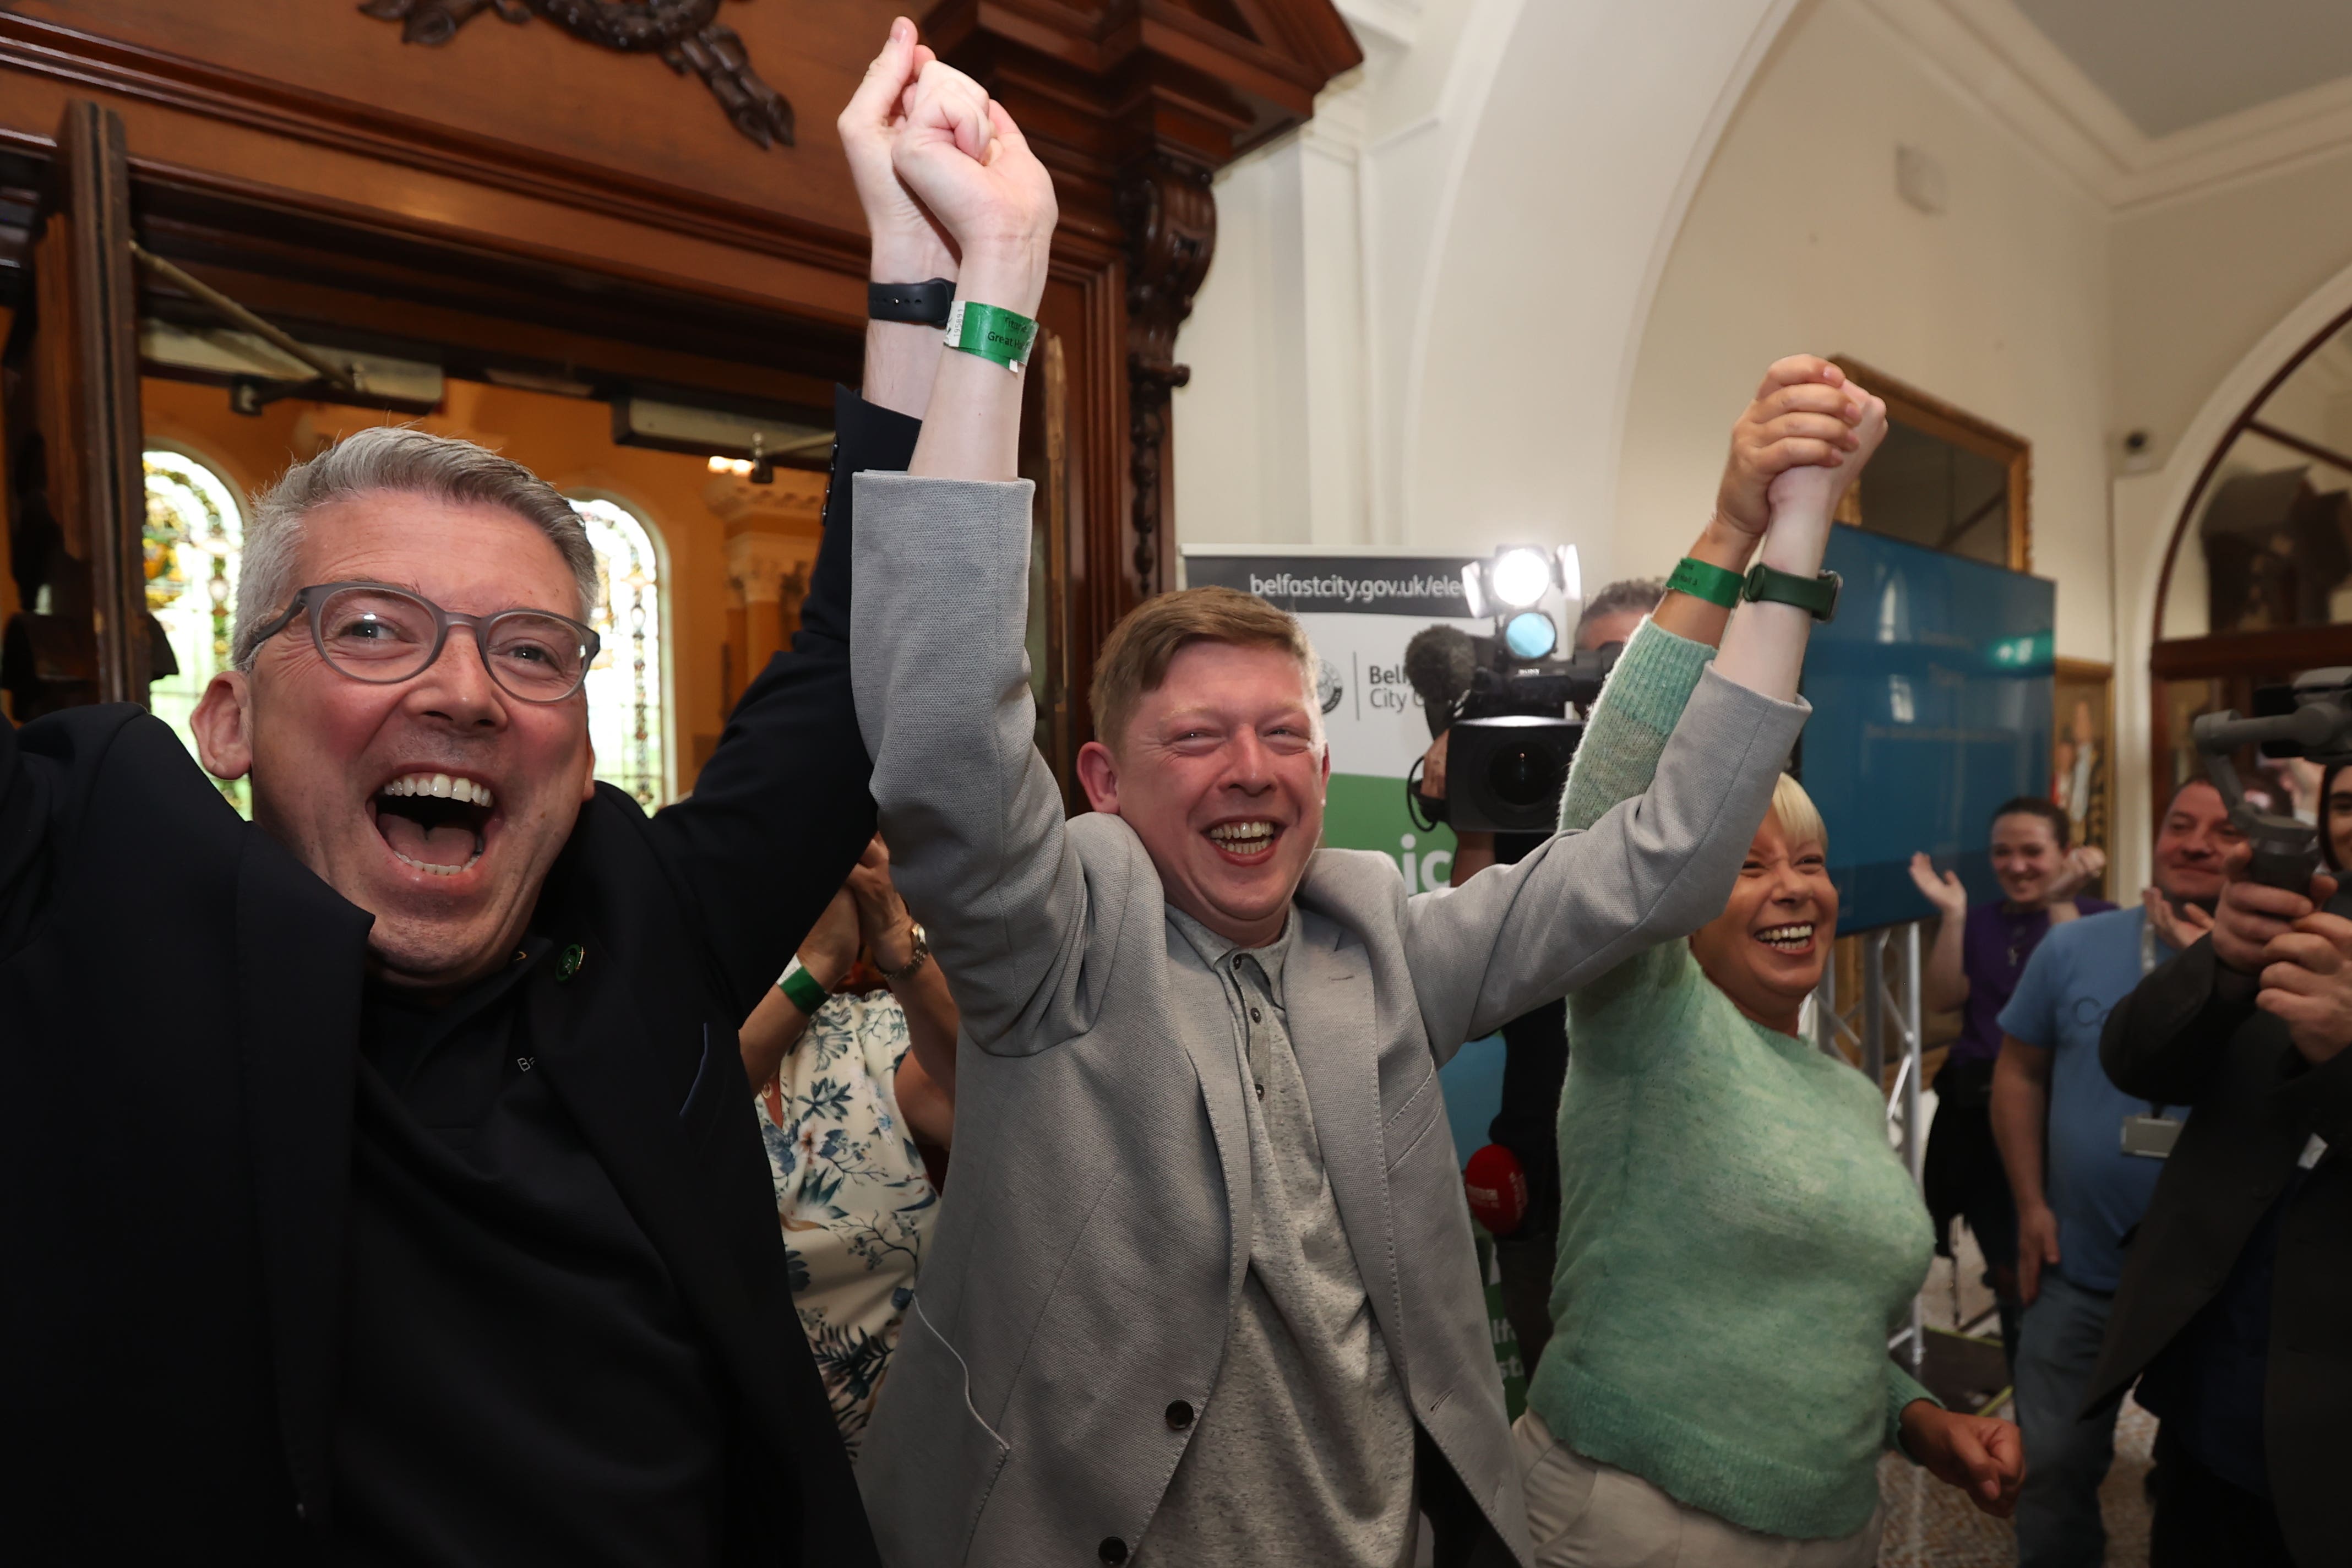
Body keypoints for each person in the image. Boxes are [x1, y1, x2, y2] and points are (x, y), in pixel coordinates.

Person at [839, 53, 1873, 1559]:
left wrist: (1786, 536)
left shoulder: (1381, 939)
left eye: (1285, 730)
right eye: (1200, 740)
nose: (1254, 766)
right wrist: (1002, 278)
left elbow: (1661, 865)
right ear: (1105, 786)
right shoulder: (1052, 941)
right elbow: (937, 730)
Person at [0, 20, 963, 1561]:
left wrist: (928, 275)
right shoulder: (89, 896)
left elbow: (874, 654)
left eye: (530, 652)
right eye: (372, 628)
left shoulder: (645, 927)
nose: (460, 690)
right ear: (231, 719)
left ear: (579, 752)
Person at [1521, 616, 2023, 1559]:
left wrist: (1918, 1419)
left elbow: (1813, 1323)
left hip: (1836, 1526)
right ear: (1678, 901)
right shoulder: (1647, 1019)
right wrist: (1730, 549)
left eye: (1808, 861)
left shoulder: (1840, 1093)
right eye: (1745, 867)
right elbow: (1600, 836)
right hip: (1643, 1519)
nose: (1791, 887)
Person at [2080, 763, 2352, 1567]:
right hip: (2214, 1411)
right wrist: (2225, 963)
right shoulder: (2310, 923)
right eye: (2345, 803)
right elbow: (2135, 1063)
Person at [1990, 776, 2241, 1567]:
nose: (2195, 843)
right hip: (2078, 1268)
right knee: (2053, 1463)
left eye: (2222, 829)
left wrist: (2223, 967)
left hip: (2218, 1291)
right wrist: (2030, 1204)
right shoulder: (2072, 947)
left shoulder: (2283, 968)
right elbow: (2019, 1074)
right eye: (2179, 824)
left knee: (2208, 1481)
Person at [1419, 577, 1666, 1370]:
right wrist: (1476, 814)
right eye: (1601, 668)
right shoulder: (1533, 789)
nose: (1615, 694)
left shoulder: (1732, 812)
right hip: (1547, 1169)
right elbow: (1471, 983)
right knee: (1562, 1406)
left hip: (1676, 1171)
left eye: (1639, 667)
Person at [738, 834, 957, 1457]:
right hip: (738, 1475)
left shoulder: (872, 1031)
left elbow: (994, 1113)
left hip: (910, 1465)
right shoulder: (664, 1051)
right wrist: (815, 970)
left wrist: (894, 932)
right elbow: (682, 1139)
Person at [1909, 797, 2112, 1368]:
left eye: (2033, 852)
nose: (2017, 865)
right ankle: (2030, 1385)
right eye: (2003, 852)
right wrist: (1952, 915)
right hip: (1979, 1122)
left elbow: (2080, 999)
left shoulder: (2099, 917)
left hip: (2065, 1118)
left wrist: (2060, 902)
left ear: (2065, 854)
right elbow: (1945, 1001)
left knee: (2066, 1259)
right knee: (2009, 1267)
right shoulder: (1976, 921)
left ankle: (2068, 1381)